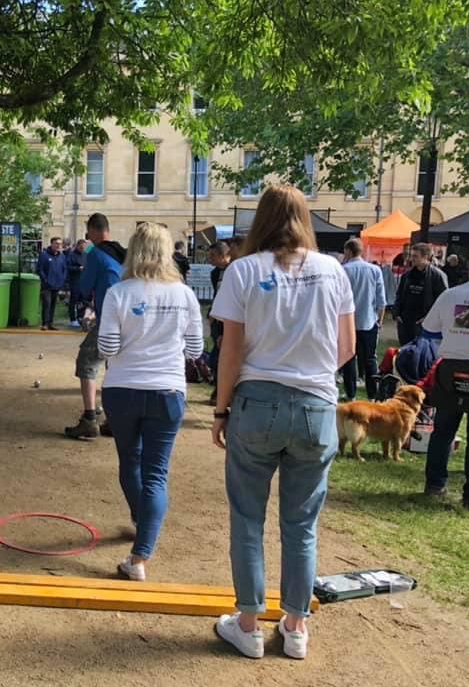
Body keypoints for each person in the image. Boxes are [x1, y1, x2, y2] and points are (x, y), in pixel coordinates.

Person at [210, 185, 355, 661]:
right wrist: (309, 370)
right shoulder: (333, 270)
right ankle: (295, 627)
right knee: (302, 523)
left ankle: (248, 624)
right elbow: (348, 346)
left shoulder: (243, 271)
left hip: (257, 404)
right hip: (316, 406)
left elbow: (230, 351)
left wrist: (221, 408)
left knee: (247, 518)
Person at [97, 223, 204, 581]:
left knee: (130, 459)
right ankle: (140, 555)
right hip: (167, 391)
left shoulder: (118, 292)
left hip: (123, 389)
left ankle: (141, 523)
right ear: (166, 253)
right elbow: (195, 349)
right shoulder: (184, 294)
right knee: (156, 472)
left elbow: (106, 348)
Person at [422, 244, 469, 518]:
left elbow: (429, 331)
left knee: (442, 431)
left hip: (451, 370)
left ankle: (435, 484)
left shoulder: (451, 295)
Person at [65, 214, 126, 439]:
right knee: (115, 365)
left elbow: (84, 287)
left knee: (87, 362)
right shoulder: (121, 253)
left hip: (109, 318)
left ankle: (90, 419)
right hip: (128, 318)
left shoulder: (97, 255)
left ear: (92, 231)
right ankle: (115, 418)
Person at [341, 237, 386, 401]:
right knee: (370, 359)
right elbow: (381, 300)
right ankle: (373, 395)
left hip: (347, 322)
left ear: (348, 251)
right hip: (369, 321)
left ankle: (351, 393)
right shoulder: (375, 270)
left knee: (349, 358)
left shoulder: (343, 270)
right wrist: (379, 321)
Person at [394, 243, 448, 346]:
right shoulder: (407, 275)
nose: (411, 259)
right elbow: (399, 295)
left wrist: (429, 317)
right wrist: (397, 313)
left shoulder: (437, 276)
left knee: (421, 355)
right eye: (411, 255)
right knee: (405, 352)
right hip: (405, 322)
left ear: (426, 257)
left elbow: (444, 300)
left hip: (425, 323)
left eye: (415, 256)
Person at [207, 241, 233, 405]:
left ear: (225, 255)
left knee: (224, 352)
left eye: (213, 256)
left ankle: (224, 392)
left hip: (230, 318)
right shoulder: (215, 273)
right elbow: (217, 294)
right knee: (215, 355)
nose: (210, 260)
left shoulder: (235, 271)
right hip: (217, 316)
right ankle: (218, 388)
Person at [37, 237, 67, 330]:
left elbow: (64, 269)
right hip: (47, 285)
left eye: (60, 244)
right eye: (56, 243)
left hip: (57, 284)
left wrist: (62, 280)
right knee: (47, 303)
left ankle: (51, 323)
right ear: (52, 244)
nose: (58, 246)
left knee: (53, 304)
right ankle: (45, 323)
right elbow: (40, 269)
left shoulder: (62, 256)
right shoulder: (44, 255)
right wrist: (45, 280)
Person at [66, 239, 88, 328]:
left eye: (84, 248)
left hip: (83, 281)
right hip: (74, 281)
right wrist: (78, 268)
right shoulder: (71, 255)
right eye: (81, 247)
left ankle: (80, 317)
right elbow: (67, 267)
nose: (83, 249)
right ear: (77, 246)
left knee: (83, 300)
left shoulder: (85, 255)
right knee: (74, 300)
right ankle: (72, 319)